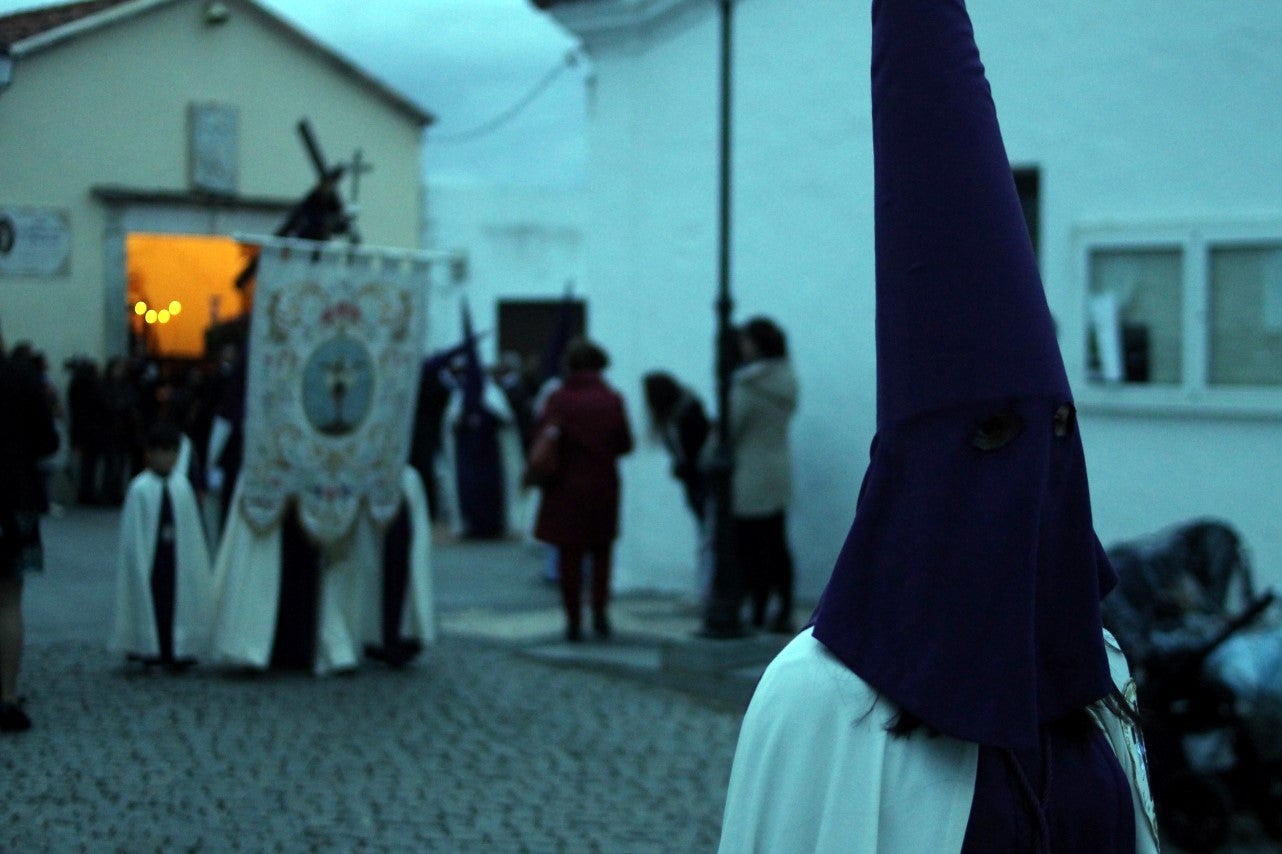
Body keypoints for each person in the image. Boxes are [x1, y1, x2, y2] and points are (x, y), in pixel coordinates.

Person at [718, 2, 1159, 851]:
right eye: (988, 436)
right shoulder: (819, 704)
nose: (1026, 474)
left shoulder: (1098, 668)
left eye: (1053, 432)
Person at [532, 338, 633, 642]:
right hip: (603, 484)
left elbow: (540, 436)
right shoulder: (612, 399)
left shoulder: (559, 399)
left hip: (564, 486)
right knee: (602, 552)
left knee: (569, 558)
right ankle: (600, 612)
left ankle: (573, 620)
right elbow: (625, 444)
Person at [110, 423, 213, 671]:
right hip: (154, 560)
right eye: (161, 452)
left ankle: (178, 648)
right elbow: (134, 536)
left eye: (172, 452)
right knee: (153, 602)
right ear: (150, 454)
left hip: (177, 559)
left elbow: (191, 534)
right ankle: (148, 647)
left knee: (176, 602)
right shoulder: (140, 488)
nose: (166, 458)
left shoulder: (182, 487)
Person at [0, 339, 59, 733]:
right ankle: (6, 696)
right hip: (12, 500)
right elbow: (48, 440)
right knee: (8, 601)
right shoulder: (21, 375)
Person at [728, 317, 799, 633]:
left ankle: (756, 609)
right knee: (777, 542)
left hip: (749, 473)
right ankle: (783, 608)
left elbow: (732, 429)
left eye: (745, 341)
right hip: (778, 467)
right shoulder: (787, 378)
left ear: (756, 344)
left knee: (750, 546)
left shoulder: (747, 385)